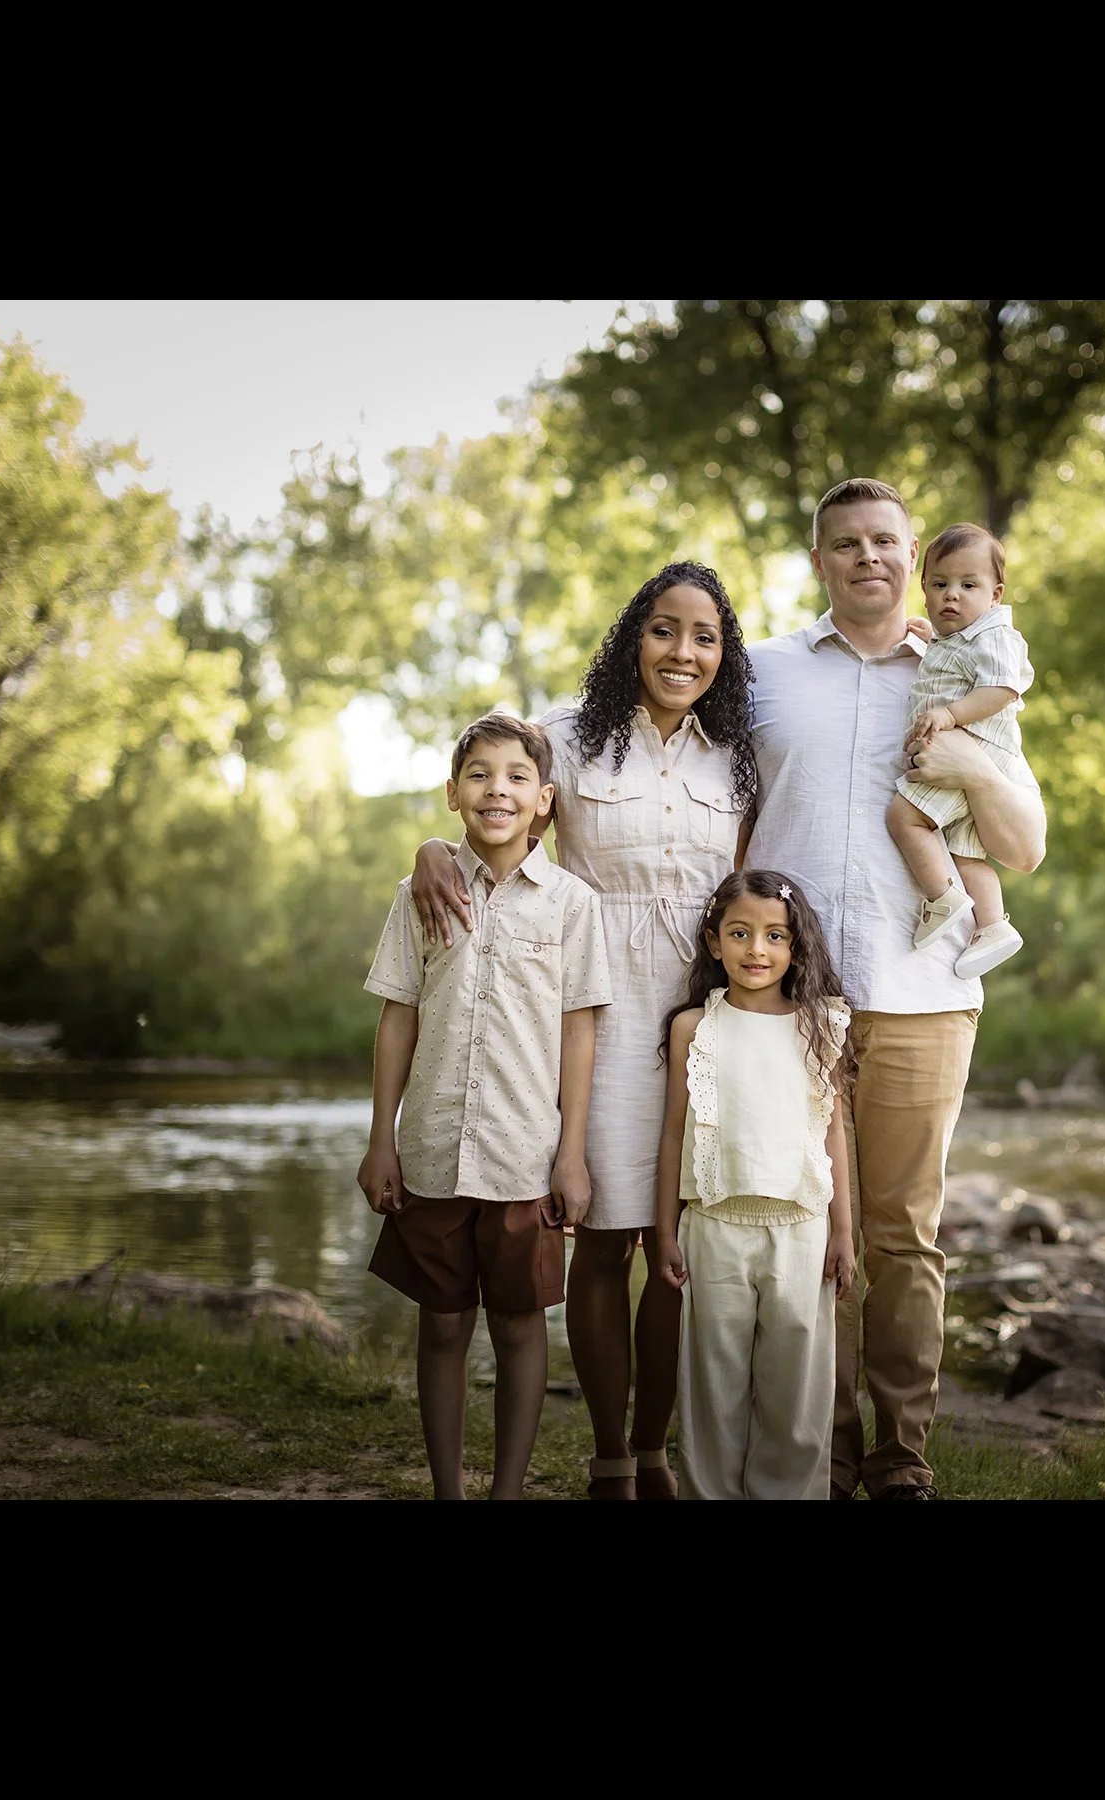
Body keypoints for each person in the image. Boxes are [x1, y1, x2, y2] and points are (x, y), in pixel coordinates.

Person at [407, 563, 756, 1500]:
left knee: (678, 1246)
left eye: (705, 636)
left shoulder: (738, 751)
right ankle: (608, 1457)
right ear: (631, 637)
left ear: (724, 654)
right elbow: (490, 786)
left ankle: (654, 1453)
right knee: (606, 1235)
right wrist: (431, 848)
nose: (683, 652)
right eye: (663, 630)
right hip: (588, 1008)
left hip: (703, 1009)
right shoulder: (568, 734)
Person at [747, 478, 1047, 1500]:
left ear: (912, 557)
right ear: (820, 557)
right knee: (804, 1227)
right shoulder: (764, 674)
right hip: (788, 1003)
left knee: (902, 1234)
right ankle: (821, 1453)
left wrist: (967, 752)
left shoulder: (961, 672)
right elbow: (656, 760)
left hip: (925, 991)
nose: (866, 557)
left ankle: (901, 1456)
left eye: (885, 541)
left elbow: (1025, 845)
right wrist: (453, 829)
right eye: (845, 543)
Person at [356, 712, 610, 1499]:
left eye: (515, 777)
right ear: (451, 793)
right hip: (432, 1150)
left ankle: (505, 1491)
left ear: (544, 800)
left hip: (524, 1156)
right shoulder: (419, 893)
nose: (496, 789)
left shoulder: (571, 905)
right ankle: (447, 1491)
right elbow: (398, 1014)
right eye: (479, 774)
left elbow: (578, 1032)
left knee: (520, 1325)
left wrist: (571, 1153)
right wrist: (380, 1140)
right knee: (440, 1325)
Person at [652, 870, 855, 1500]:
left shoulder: (819, 1024)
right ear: (714, 943)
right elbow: (671, 1135)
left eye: (775, 936)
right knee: (713, 1382)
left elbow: (833, 1134)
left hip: (800, 1228)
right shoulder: (695, 1026)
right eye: (740, 934)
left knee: (797, 1383)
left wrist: (844, 1232)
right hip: (713, 1226)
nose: (757, 950)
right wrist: (664, 1230)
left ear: (796, 948)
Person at [886, 522, 1039, 979]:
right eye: (940, 584)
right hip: (967, 758)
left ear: (995, 595)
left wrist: (951, 716)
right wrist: (931, 637)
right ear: (925, 589)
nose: (952, 595)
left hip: (967, 751)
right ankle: (993, 925)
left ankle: (943, 897)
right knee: (966, 853)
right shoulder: (955, 638)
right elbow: (956, 664)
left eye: (968, 585)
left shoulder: (995, 635)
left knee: (904, 817)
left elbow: (1001, 689)